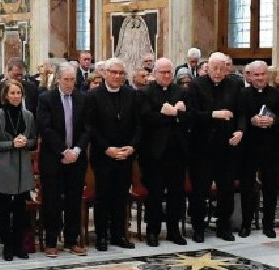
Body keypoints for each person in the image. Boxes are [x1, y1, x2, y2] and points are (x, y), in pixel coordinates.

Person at [187, 52, 244, 242]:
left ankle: (223, 227)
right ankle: (198, 228)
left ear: (227, 69)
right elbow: (191, 115)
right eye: (214, 68)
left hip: (227, 147)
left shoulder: (234, 85)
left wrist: (240, 131)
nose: (218, 72)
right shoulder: (196, 85)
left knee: (226, 190)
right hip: (202, 148)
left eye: (222, 68)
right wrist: (214, 114)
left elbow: (241, 113)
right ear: (208, 68)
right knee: (200, 190)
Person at [37, 64, 90, 256]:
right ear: (58, 79)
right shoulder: (46, 99)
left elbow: (87, 128)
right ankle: (51, 241)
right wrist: (63, 151)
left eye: (72, 80)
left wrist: (76, 150)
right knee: (52, 200)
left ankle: (71, 240)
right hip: (53, 158)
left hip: (76, 158)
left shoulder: (82, 98)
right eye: (66, 79)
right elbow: (45, 128)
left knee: (73, 200)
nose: (69, 83)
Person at [89, 57, 139, 251]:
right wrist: (107, 148)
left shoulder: (131, 94)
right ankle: (101, 236)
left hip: (125, 155)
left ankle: (119, 235)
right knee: (103, 197)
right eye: (113, 73)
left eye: (120, 73)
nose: (117, 77)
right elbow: (91, 127)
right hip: (104, 155)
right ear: (105, 74)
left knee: (121, 197)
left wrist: (131, 147)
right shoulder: (93, 96)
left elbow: (138, 125)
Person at [138, 57, 188, 246]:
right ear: (155, 73)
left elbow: (188, 117)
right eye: (163, 72)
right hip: (154, 153)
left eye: (169, 72)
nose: (167, 75)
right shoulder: (145, 93)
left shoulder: (181, 91)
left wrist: (171, 114)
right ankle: (153, 231)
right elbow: (147, 118)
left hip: (177, 151)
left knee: (177, 193)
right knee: (155, 194)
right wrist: (172, 114)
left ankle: (174, 231)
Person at [0, 78, 35, 260]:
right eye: (12, 93)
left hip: (23, 166)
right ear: (6, 96)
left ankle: (18, 245)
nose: (16, 96)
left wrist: (26, 142)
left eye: (18, 93)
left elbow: (34, 141)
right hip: (4, 167)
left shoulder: (28, 115)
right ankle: (7, 245)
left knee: (21, 209)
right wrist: (11, 144)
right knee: (4, 209)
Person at [239, 59, 279, 238]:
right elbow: (239, 115)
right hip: (249, 148)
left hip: (271, 148)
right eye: (256, 75)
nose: (260, 78)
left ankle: (268, 225)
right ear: (250, 76)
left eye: (263, 74)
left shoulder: (277, 94)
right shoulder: (242, 94)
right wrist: (251, 121)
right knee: (247, 187)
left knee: (270, 188)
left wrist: (273, 121)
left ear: (268, 75)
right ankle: (246, 224)